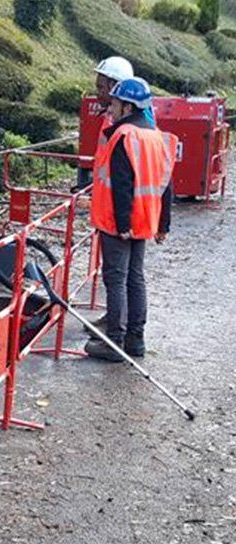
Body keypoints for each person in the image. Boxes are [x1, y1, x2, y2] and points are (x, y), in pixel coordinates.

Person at [87, 77, 177, 362]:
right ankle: (135, 341)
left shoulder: (124, 135)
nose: (110, 109)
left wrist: (122, 225)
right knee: (135, 279)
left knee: (116, 280)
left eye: (113, 103)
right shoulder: (157, 137)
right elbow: (166, 186)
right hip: (144, 221)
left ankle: (113, 343)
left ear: (128, 106)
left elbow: (122, 184)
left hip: (118, 224)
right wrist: (163, 225)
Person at [77, 56, 135, 189]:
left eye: (101, 87)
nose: (98, 93)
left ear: (115, 86)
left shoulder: (128, 130)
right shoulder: (110, 118)